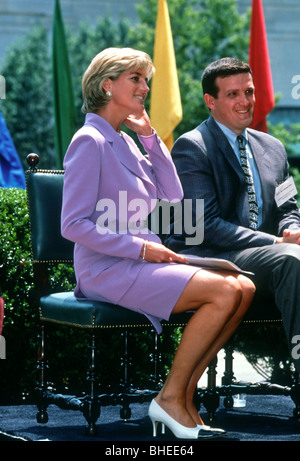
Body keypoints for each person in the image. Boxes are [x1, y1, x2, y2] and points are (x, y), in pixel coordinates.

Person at [61, 49, 255, 440]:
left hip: (141, 262)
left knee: (244, 287)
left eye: (145, 80)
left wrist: (149, 136)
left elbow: (172, 194)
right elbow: (73, 225)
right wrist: (143, 250)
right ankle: (169, 399)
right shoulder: (89, 140)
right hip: (107, 268)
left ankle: (182, 399)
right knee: (222, 291)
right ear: (106, 85)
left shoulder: (127, 140)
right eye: (136, 79)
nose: (145, 88)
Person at [165, 57, 300, 376]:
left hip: (268, 256)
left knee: (291, 255)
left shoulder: (274, 147)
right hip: (210, 257)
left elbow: (288, 206)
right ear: (210, 101)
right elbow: (205, 226)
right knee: (291, 259)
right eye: (233, 94)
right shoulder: (191, 147)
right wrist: (278, 241)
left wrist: (292, 228)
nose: (245, 101)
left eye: (249, 92)